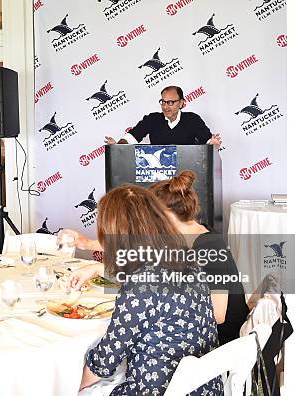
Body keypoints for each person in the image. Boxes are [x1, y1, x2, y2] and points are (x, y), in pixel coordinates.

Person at [79, 185, 221, 395]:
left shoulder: (139, 287)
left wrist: (70, 387)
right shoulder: (186, 259)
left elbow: (105, 361)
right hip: (206, 387)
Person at [148, 170, 250, 345]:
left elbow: (217, 314)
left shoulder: (210, 247)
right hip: (200, 331)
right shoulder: (191, 236)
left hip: (219, 342)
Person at [104, 86, 221, 146]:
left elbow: (208, 142)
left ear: (181, 103)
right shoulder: (152, 119)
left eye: (170, 102)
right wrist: (117, 147)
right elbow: (131, 137)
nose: (165, 106)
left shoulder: (193, 119)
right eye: (163, 102)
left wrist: (213, 144)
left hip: (185, 176)